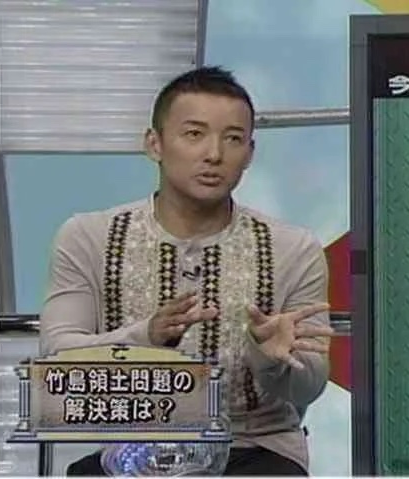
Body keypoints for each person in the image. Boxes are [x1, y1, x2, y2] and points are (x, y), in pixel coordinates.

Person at [39, 66, 335, 476]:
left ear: (250, 153)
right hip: (134, 451)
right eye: (194, 134)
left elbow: (310, 386)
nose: (214, 154)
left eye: (233, 139)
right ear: (154, 143)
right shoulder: (88, 236)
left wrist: (269, 360)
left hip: (254, 449)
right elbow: (56, 361)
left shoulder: (294, 248)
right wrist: (145, 339)